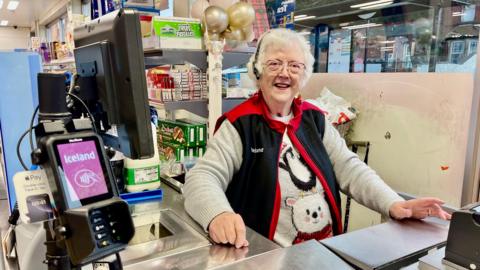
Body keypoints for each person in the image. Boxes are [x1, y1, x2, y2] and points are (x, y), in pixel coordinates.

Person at [183, 28, 451, 249]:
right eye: (274, 63)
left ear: (304, 74)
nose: (284, 73)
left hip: (323, 254)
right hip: (265, 258)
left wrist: (393, 203)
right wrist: (218, 214)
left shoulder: (315, 120)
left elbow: (350, 169)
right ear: (258, 71)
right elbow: (202, 178)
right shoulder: (240, 124)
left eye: (294, 66)